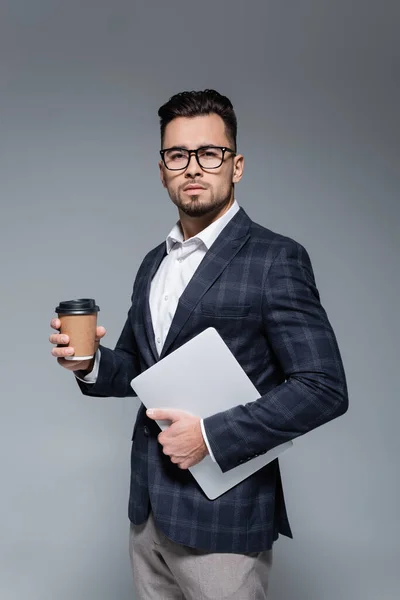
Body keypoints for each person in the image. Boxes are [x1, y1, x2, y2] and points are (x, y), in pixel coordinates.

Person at [49, 89, 348, 599]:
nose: (193, 168)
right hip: (148, 517)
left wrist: (210, 437)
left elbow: (324, 387)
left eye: (210, 153)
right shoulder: (154, 262)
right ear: (162, 168)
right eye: (177, 155)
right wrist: (91, 363)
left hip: (224, 519)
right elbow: (139, 370)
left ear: (236, 166)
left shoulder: (277, 258)